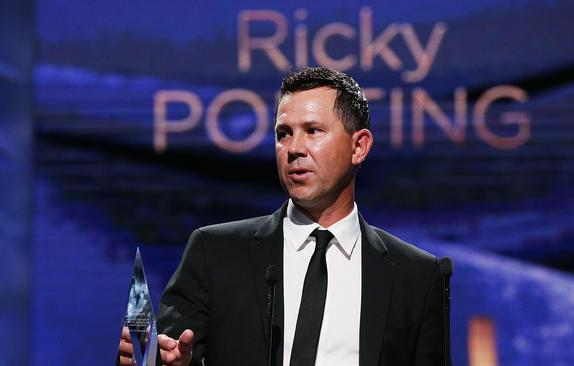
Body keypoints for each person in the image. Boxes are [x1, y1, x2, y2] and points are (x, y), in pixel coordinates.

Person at [121, 66, 445, 366]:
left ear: (358, 146)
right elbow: (161, 353)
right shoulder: (215, 253)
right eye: (283, 134)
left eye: (313, 131)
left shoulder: (415, 276)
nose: (294, 148)